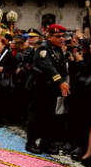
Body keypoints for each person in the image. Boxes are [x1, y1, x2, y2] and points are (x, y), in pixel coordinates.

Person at [25, 24, 71, 154]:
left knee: (50, 117)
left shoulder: (58, 49)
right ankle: (31, 142)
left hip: (51, 89)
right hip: (39, 87)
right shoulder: (43, 49)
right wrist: (61, 82)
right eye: (58, 36)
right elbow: (48, 67)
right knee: (35, 116)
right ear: (49, 37)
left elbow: (61, 68)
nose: (61, 39)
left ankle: (46, 143)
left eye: (63, 36)